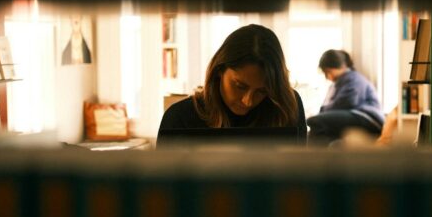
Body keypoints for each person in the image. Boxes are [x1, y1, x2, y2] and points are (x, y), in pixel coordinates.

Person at [157, 24, 307, 145]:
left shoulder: (286, 106)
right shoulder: (179, 118)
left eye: (262, 91)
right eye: (240, 86)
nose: (247, 101)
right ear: (219, 71)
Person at [307, 49, 385, 144]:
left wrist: (323, 111)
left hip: (368, 118)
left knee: (315, 121)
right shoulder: (337, 83)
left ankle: (313, 157)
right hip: (356, 115)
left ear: (338, 66)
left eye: (327, 71)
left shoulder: (354, 78)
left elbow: (348, 101)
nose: (327, 76)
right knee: (320, 133)